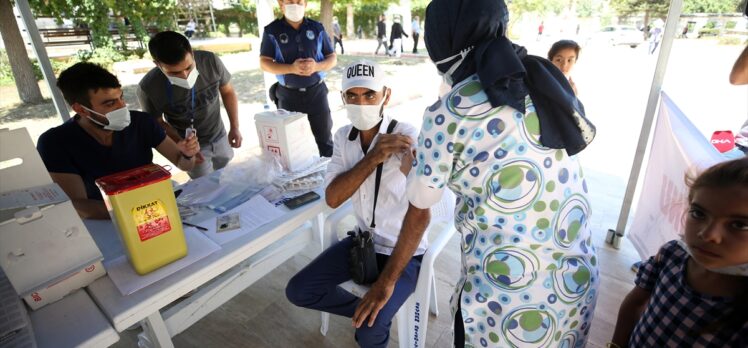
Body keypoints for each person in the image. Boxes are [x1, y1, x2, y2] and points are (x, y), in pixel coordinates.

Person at [352, 1, 599, 347]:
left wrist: (413, 168)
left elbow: (422, 198)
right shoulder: (540, 76)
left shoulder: (450, 111)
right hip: (573, 280)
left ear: (442, 39)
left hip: (507, 298)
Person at [285, 60, 423, 347]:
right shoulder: (343, 137)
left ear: (386, 94)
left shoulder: (406, 136)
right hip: (364, 245)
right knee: (299, 291)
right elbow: (334, 198)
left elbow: (421, 215)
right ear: (343, 98)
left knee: (369, 332)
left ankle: (373, 319)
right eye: (353, 96)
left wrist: (385, 284)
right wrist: (372, 158)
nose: (361, 103)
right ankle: (368, 313)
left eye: (369, 95)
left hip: (404, 251)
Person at [610, 158, 748, 348]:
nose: (708, 234)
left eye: (740, 225)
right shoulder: (672, 254)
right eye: (699, 213)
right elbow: (634, 303)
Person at [37, 62, 200, 220]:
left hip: (154, 206)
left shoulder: (141, 122)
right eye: (110, 103)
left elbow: (184, 165)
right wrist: (138, 212)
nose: (122, 107)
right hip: (105, 219)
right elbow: (78, 205)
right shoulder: (55, 142)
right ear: (80, 109)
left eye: (121, 98)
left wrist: (187, 154)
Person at [137, 31, 241, 179]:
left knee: (230, 177)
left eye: (188, 67)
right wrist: (183, 145)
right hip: (190, 148)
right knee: (205, 186)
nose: (185, 76)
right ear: (158, 64)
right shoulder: (148, 88)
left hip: (219, 135)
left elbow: (228, 91)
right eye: (175, 73)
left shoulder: (210, 61)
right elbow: (158, 123)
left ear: (191, 53)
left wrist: (235, 127)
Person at [259, 0, 337, 157]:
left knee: (325, 140)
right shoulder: (272, 31)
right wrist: (291, 69)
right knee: (292, 146)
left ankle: (331, 177)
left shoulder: (317, 28)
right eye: (289, 1)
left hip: (317, 93)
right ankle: (298, 180)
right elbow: (264, 63)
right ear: (281, 4)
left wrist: (316, 66)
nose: (295, 4)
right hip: (288, 95)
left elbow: (332, 58)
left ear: (305, 4)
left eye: (299, 1)